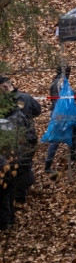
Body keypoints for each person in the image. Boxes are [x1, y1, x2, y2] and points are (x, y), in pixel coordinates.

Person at [0, 76, 40, 204]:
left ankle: (20, 196)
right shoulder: (26, 97)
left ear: (5, 86)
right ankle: (19, 195)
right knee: (22, 166)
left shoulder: (11, 101)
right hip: (26, 138)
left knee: (21, 168)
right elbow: (37, 110)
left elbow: (37, 109)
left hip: (21, 140)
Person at [44, 66, 76, 175]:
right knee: (56, 140)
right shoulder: (62, 81)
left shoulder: (54, 81)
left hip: (58, 112)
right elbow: (67, 93)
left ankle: (75, 158)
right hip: (61, 113)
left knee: (74, 132)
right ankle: (47, 166)